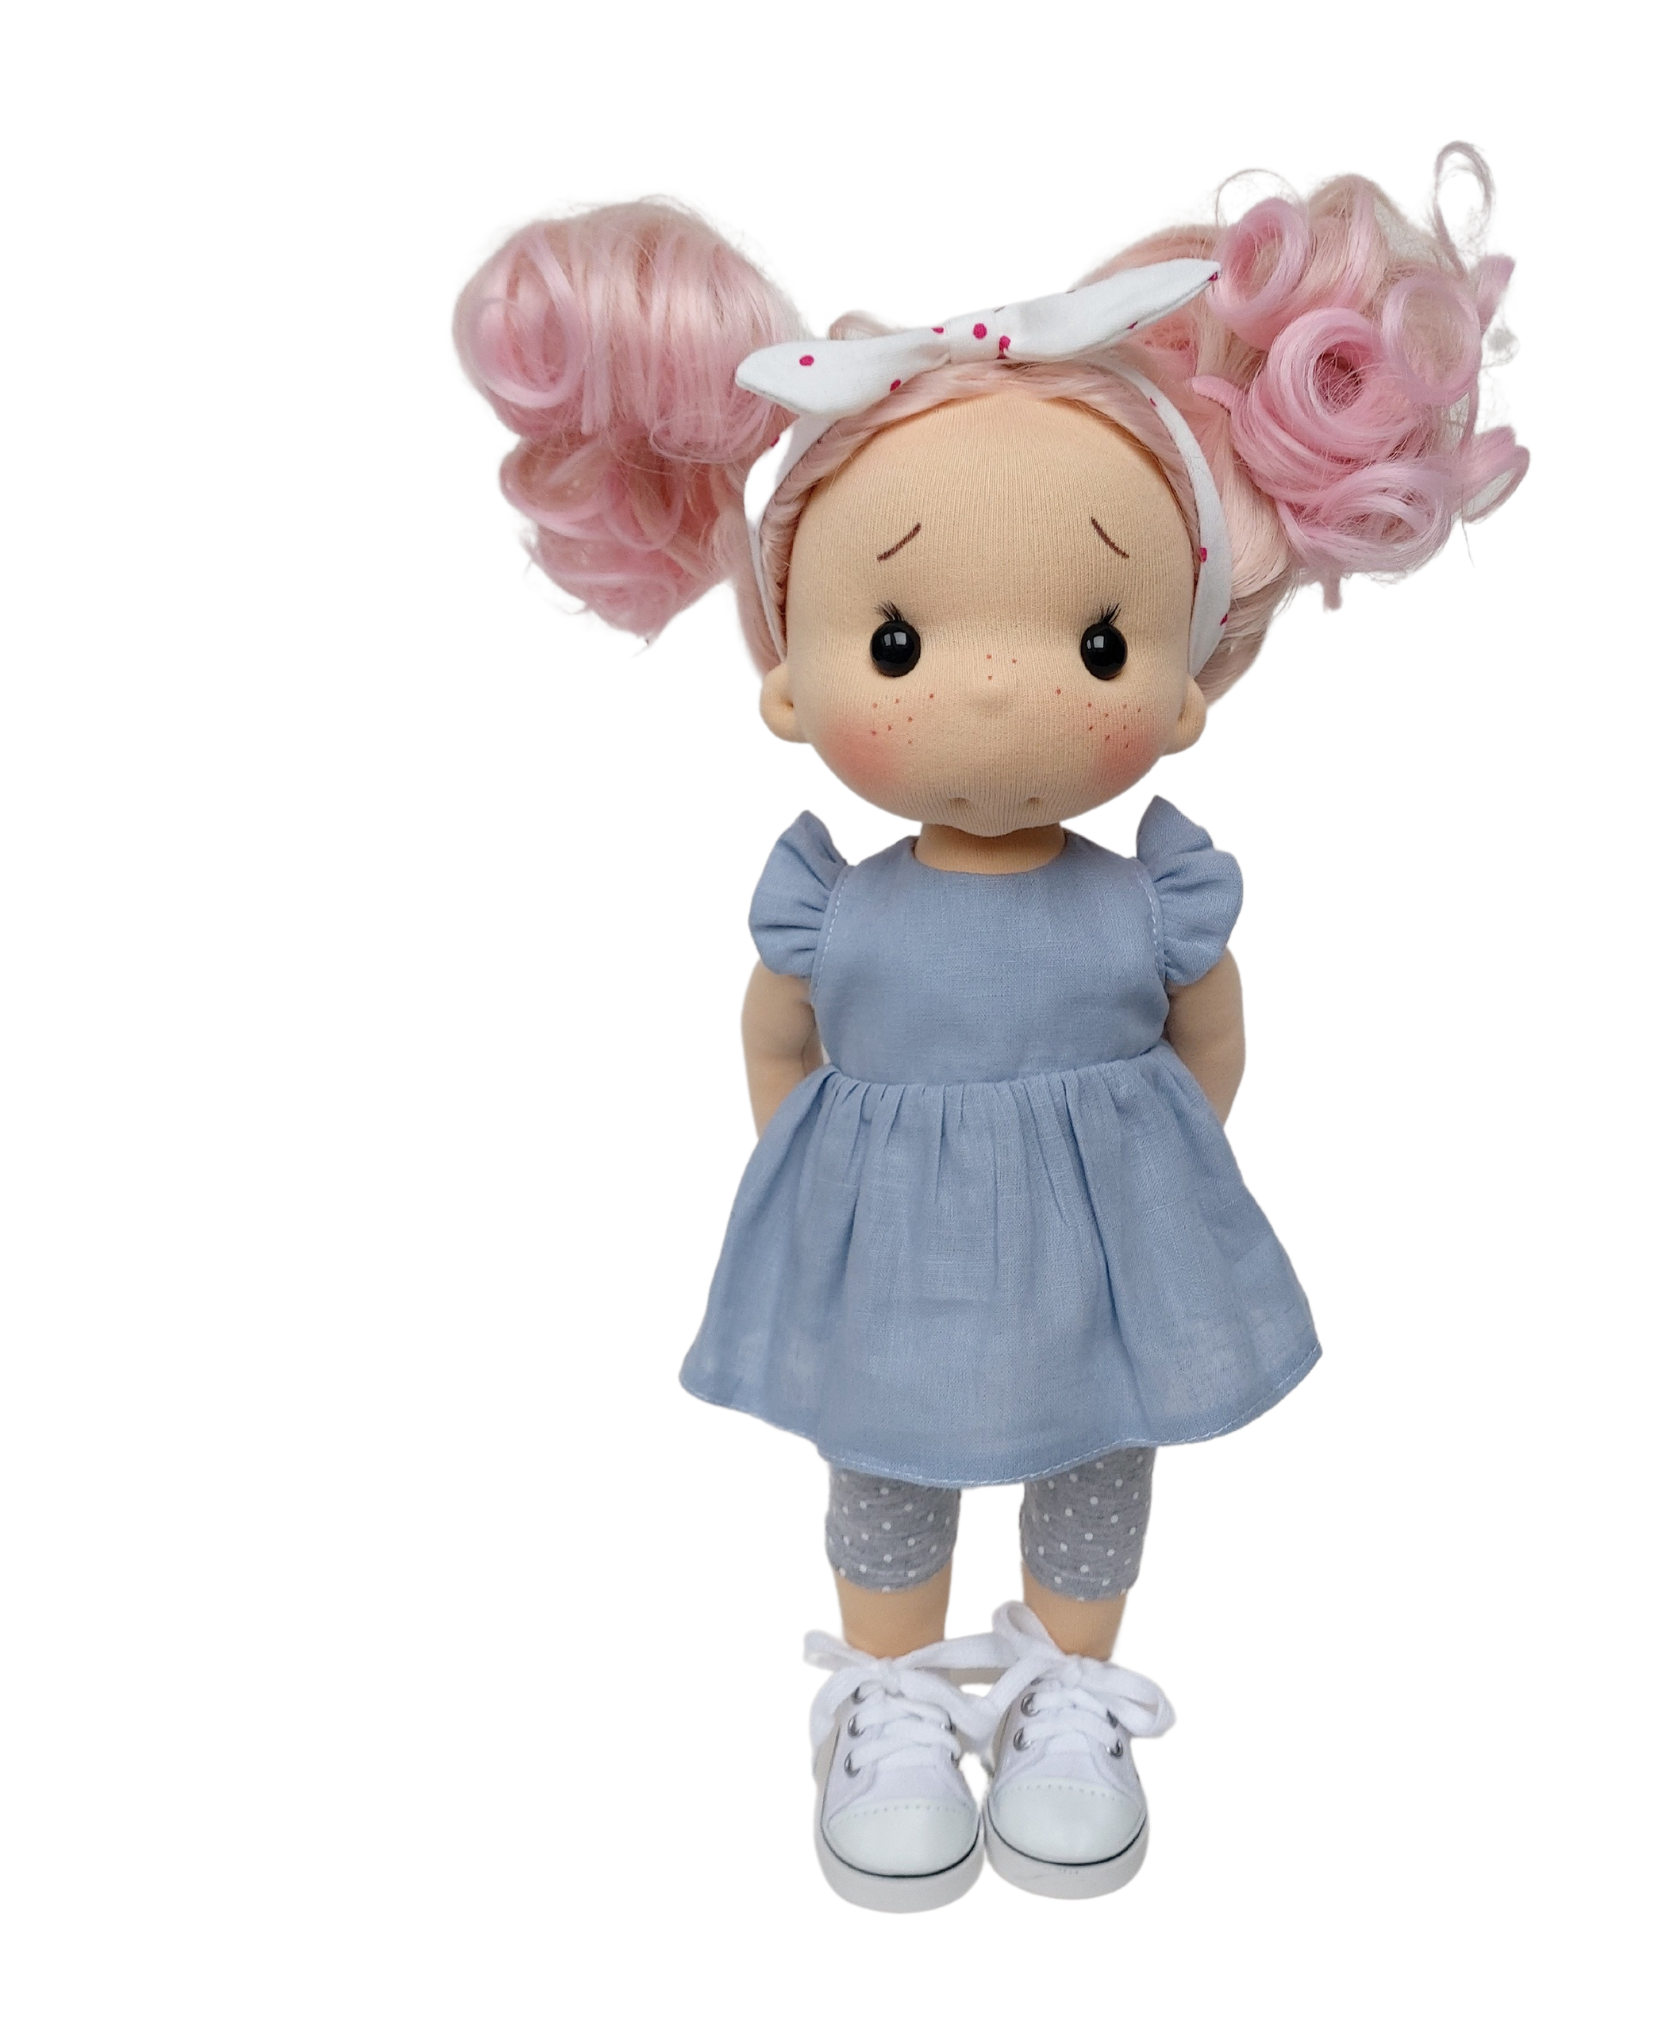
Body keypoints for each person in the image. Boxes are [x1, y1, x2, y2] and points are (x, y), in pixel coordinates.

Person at [454, 148, 1526, 1910]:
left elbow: (1209, 1035)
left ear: (1185, 675)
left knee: (1101, 1453)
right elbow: (779, 1040)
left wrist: (1157, 1179)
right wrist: (815, 1184)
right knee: (883, 1466)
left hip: (1104, 1247)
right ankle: (888, 1696)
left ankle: (1063, 1696)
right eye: (897, 638)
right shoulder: (831, 903)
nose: (1001, 681)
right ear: (789, 675)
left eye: (1098, 639)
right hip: (891, 1253)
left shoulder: (1152, 894)